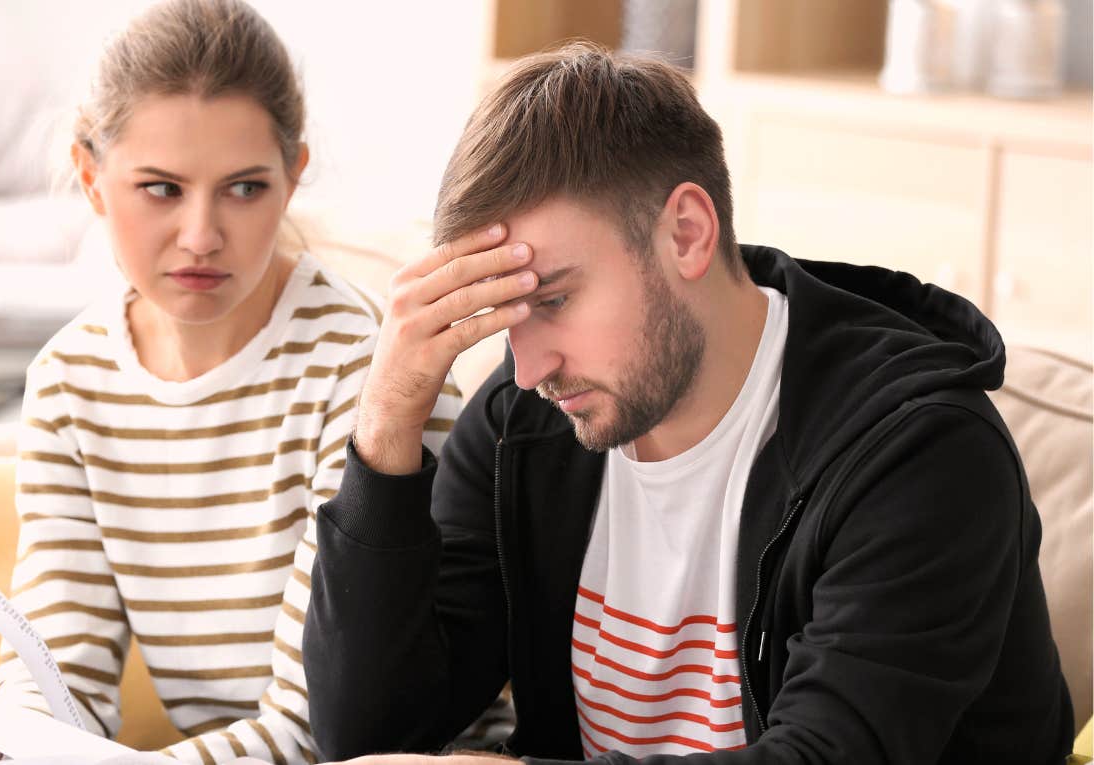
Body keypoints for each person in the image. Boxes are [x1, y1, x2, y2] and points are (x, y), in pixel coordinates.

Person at [303, 43, 1075, 764]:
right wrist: (388, 418)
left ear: (687, 232)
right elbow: (366, 732)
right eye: (505, 314)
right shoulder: (526, 420)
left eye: (555, 298)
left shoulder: (922, 454)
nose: (528, 363)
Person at [0, 2, 471, 763]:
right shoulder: (70, 380)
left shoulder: (363, 370)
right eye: (160, 188)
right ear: (92, 178)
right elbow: (63, 681)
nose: (201, 235)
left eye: (244, 188)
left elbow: (320, 724)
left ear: (293, 177)